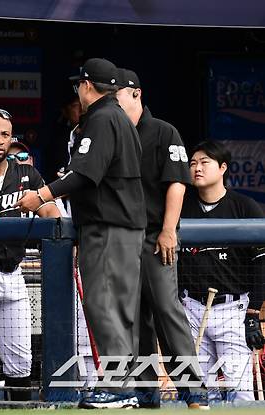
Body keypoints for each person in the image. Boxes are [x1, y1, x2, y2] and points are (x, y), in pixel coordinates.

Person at [16, 58, 146, 409]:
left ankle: (119, 389)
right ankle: (125, 387)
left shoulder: (102, 118)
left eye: (80, 85)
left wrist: (42, 194)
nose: (78, 90)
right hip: (121, 227)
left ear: (87, 86)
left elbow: (84, 175)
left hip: (108, 229)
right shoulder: (118, 117)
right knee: (116, 308)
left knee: (104, 305)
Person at [115, 68, 208, 408]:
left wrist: (169, 230)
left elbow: (177, 183)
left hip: (154, 237)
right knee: (134, 320)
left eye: (116, 95)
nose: (111, 102)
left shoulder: (163, 131)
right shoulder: (110, 132)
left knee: (167, 312)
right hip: (120, 239)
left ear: (135, 93)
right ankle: (144, 393)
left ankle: (194, 392)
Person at [0, 109, 59, 402]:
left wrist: (44, 204)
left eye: (4, 134)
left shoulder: (26, 174)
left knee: (21, 358)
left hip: (14, 272)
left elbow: (52, 217)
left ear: (11, 137)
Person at [178, 140, 265, 401]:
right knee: (202, 394)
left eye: (205, 162)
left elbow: (261, 263)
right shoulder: (180, 205)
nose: (197, 168)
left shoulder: (244, 206)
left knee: (240, 393)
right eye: (193, 163)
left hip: (233, 309)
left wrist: (253, 312)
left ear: (223, 167)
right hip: (191, 307)